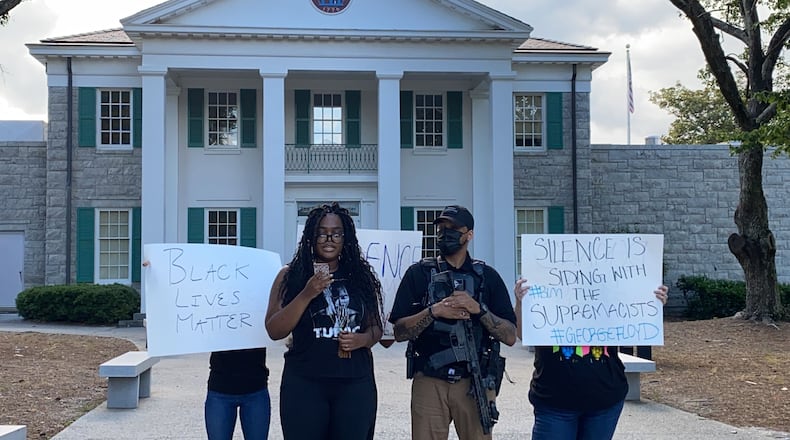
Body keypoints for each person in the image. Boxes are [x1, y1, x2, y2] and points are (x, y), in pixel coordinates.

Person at [389, 205, 517, 440]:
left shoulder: (487, 277)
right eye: (441, 228)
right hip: (429, 379)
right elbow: (398, 331)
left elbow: (509, 336)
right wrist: (433, 311)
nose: (445, 233)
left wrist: (478, 309)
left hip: (474, 380)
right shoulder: (418, 274)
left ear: (469, 234)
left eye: (453, 228)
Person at [265, 202, 385, 439]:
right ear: (310, 236)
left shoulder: (361, 277)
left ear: (345, 238)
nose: (329, 238)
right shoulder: (290, 275)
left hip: (354, 382)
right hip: (305, 382)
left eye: (336, 233)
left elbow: (376, 329)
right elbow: (274, 329)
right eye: (321, 232)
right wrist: (307, 293)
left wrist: (361, 340)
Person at [514, 277, 669, 440]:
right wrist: (521, 303)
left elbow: (633, 332)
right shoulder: (547, 281)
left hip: (604, 399)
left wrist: (651, 303)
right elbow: (523, 334)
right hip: (554, 400)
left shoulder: (609, 282)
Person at [142, 260, 270, 440]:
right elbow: (178, 300)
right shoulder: (211, 309)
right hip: (220, 390)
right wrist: (156, 273)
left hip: (256, 390)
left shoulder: (261, 307)